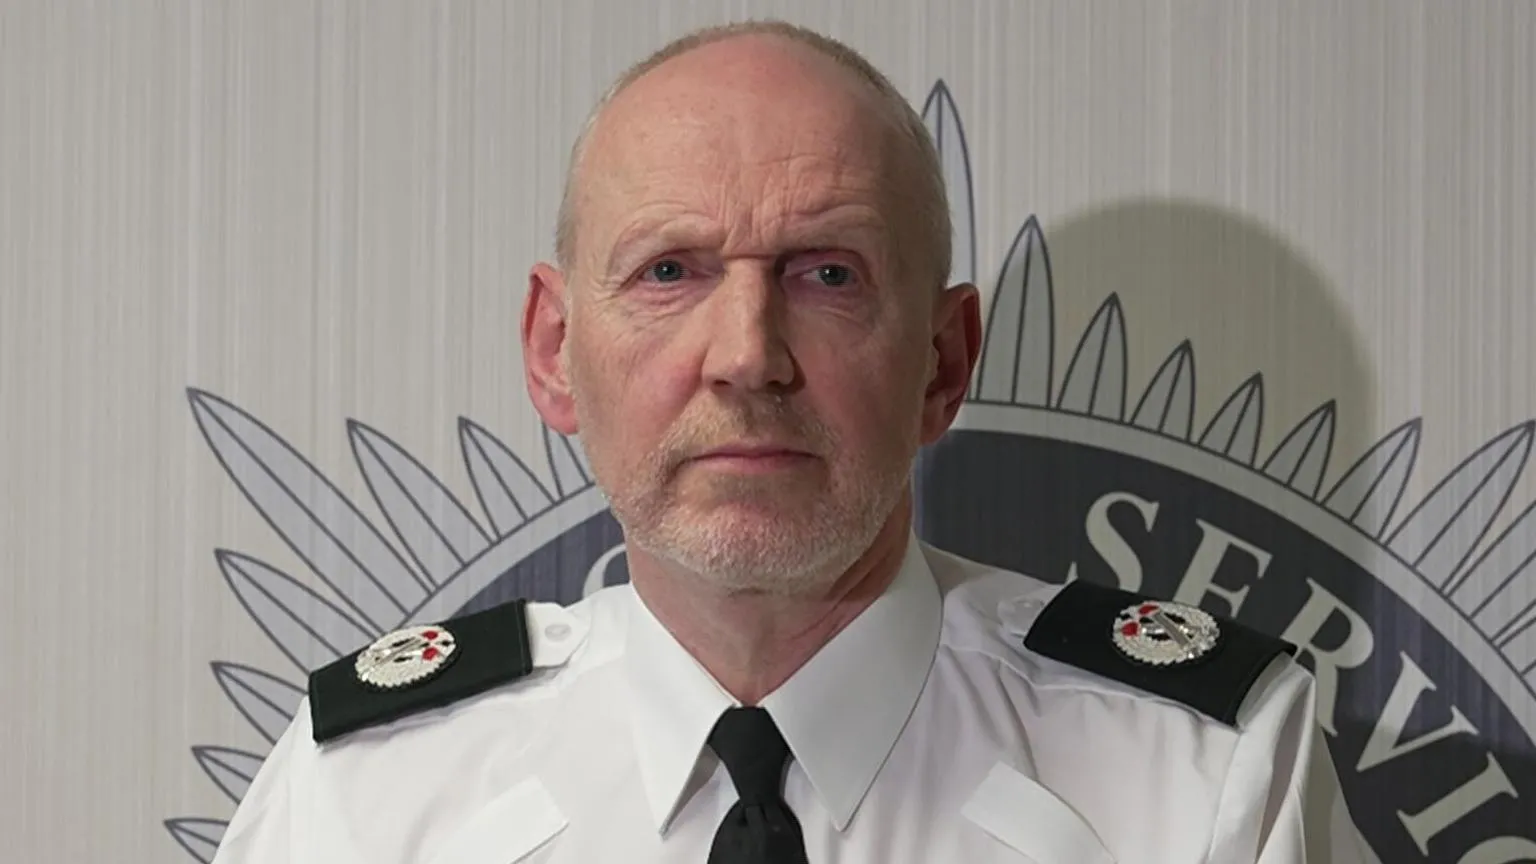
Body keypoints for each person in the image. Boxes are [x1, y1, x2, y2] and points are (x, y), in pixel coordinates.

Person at [211, 20, 1367, 864]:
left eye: (826, 275)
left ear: (944, 361)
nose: (747, 354)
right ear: (556, 351)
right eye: (671, 272)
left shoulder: (1205, 779)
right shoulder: (364, 794)